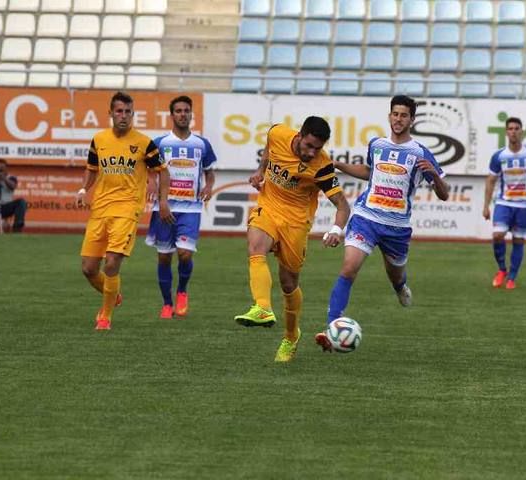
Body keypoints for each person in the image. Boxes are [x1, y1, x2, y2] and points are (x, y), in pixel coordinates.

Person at [314, 95, 450, 353]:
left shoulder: (420, 152)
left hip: (397, 227)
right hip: (366, 217)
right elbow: (369, 172)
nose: (399, 119)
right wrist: (339, 165)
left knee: (395, 273)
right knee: (348, 268)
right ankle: (331, 328)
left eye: (404, 115)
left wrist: (433, 174)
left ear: (412, 119)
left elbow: (444, 193)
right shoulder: (377, 144)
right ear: (390, 116)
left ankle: (400, 287)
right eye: (395, 114)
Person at [234, 116, 351, 363]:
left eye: (317, 148)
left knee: (288, 284)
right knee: (255, 247)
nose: (311, 152)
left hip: (296, 224)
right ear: (299, 135)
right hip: (268, 207)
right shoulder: (277, 133)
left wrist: (336, 230)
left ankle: (290, 336)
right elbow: (268, 150)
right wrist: (259, 171)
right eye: (308, 145)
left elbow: (342, 205)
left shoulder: (322, 166)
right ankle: (263, 307)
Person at [76, 91, 173, 331]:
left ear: (133, 114)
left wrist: (162, 202)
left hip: (128, 209)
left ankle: (104, 317)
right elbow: (91, 168)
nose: (124, 116)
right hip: (100, 208)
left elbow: (163, 171)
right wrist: (82, 189)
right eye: (119, 111)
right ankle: (114, 295)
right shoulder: (99, 139)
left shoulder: (143, 142)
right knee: (88, 269)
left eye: (128, 112)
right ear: (110, 113)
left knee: (111, 264)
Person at [145, 95, 217, 319]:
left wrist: (209, 187)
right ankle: (167, 303)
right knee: (164, 257)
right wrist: (152, 184)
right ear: (172, 114)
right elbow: (150, 170)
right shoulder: (159, 143)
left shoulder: (202, 144)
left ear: (191, 114)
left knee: (185, 254)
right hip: (164, 207)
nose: (183, 114)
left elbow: (210, 172)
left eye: (187, 110)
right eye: (179, 111)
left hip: (191, 208)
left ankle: (182, 290)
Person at [482, 116, 526, 290]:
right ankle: (502, 270)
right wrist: (486, 205)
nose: (513, 131)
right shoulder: (499, 156)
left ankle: (512, 277)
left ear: (522, 131)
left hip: (525, 205)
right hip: (504, 202)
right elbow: (490, 180)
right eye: (510, 129)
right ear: (506, 132)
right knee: (498, 235)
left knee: (518, 240)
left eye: (516, 128)